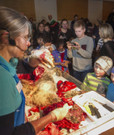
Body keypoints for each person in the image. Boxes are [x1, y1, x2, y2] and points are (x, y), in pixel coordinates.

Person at [0, 6, 71, 135]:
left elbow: (21, 65)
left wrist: (34, 60)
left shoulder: (7, 62)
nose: (28, 43)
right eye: (25, 37)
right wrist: (52, 116)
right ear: (6, 38)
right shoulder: (2, 79)